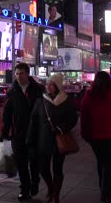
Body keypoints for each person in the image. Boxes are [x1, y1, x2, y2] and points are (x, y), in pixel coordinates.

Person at [27, 73, 78, 203]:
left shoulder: (66, 101)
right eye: (47, 84)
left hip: (59, 141)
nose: (49, 87)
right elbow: (33, 122)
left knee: (57, 169)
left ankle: (56, 194)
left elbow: (73, 119)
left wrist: (61, 128)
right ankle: (50, 187)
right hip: (43, 141)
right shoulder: (40, 101)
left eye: (52, 85)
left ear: (57, 86)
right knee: (43, 168)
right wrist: (29, 140)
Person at [80, 71, 111, 203]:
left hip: (94, 136)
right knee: (110, 163)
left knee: (101, 161)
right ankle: (107, 192)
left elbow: (84, 117)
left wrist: (84, 134)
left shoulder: (89, 96)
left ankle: (104, 188)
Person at [2, 63, 44, 201]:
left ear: (28, 74)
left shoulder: (38, 89)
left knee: (34, 162)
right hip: (18, 134)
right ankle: (24, 189)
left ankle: (35, 182)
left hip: (35, 134)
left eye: (21, 73)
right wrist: (5, 133)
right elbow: (7, 114)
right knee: (21, 163)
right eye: (17, 73)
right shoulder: (11, 91)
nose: (19, 76)